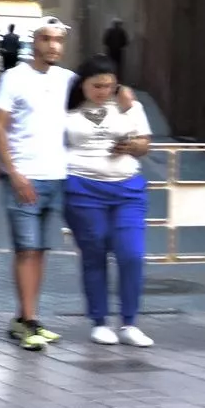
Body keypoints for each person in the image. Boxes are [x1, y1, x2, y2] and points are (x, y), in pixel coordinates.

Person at [0, 16, 74, 351]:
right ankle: (29, 323)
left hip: (57, 177)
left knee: (40, 252)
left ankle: (26, 317)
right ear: (34, 41)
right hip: (24, 178)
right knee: (25, 250)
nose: (53, 46)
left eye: (58, 40)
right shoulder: (14, 78)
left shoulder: (68, 80)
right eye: (46, 39)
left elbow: (104, 94)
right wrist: (12, 171)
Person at [63, 55, 154, 345]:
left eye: (109, 85)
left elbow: (144, 144)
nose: (104, 91)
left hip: (127, 189)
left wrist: (131, 145)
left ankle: (129, 323)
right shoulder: (65, 110)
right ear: (83, 84)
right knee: (95, 253)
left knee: (132, 254)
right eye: (97, 86)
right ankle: (99, 321)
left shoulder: (128, 105)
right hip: (82, 188)